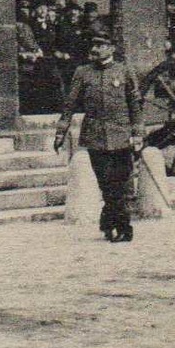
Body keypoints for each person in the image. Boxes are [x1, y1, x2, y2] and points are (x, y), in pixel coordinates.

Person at [55, 26, 143, 242]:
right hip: (95, 137)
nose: (95, 49)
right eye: (93, 45)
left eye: (100, 46)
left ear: (111, 48)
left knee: (120, 183)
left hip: (122, 135)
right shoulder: (82, 72)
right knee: (106, 183)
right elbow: (70, 104)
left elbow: (135, 104)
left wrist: (138, 133)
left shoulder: (124, 71)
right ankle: (117, 224)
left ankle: (117, 225)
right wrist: (61, 132)